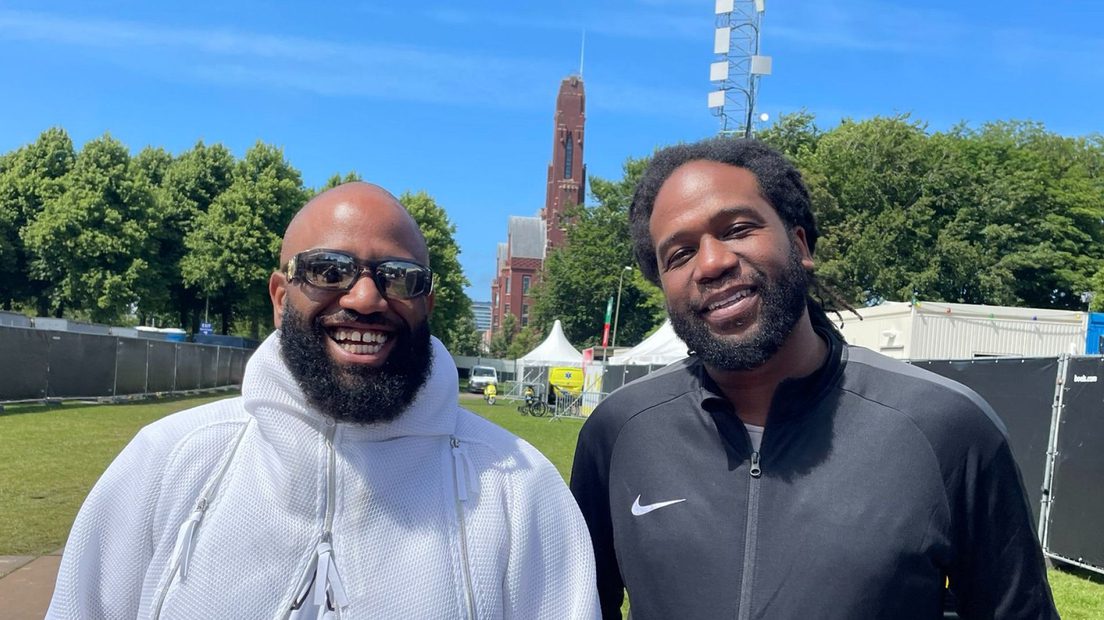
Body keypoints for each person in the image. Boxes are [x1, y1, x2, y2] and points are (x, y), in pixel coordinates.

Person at [48, 182, 599, 619]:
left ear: (426, 303)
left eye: (398, 278)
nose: (364, 298)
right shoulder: (169, 461)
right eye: (328, 271)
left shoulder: (520, 488)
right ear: (280, 295)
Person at [569, 138, 1058, 619]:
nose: (712, 262)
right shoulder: (618, 433)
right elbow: (581, 606)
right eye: (679, 254)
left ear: (799, 243)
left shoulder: (946, 427)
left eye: (738, 228)